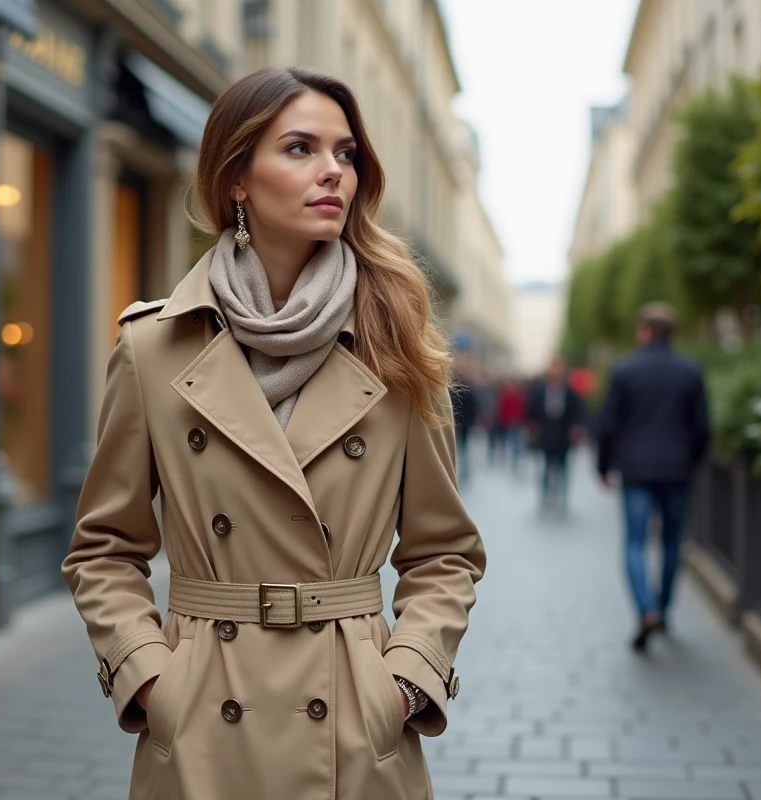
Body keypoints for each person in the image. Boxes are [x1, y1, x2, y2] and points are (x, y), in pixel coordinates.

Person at [63, 66, 487, 800]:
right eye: (301, 149)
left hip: (354, 724)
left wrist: (407, 681)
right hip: (203, 723)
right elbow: (105, 548)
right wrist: (149, 677)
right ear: (236, 179)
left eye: (346, 153)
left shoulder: (397, 342)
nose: (333, 172)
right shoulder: (153, 348)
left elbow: (444, 551)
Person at [596, 302, 709, 652]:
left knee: (634, 542)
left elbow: (608, 425)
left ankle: (646, 609)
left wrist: (603, 466)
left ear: (644, 331)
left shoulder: (625, 370)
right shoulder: (690, 371)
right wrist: (691, 462)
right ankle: (662, 607)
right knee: (673, 541)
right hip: (676, 470)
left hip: (636, 470)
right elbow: (702, 428)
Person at [525, 357, 586, 515]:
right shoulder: (539, 390)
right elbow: (532, 411)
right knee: (545, 468)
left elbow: (578, 412)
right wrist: (532, 427)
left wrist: (577, 428)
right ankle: (545, 498)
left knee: (564, 469)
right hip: (545, 434)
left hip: (563, 436)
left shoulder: (570, 392)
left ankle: (562, 499)